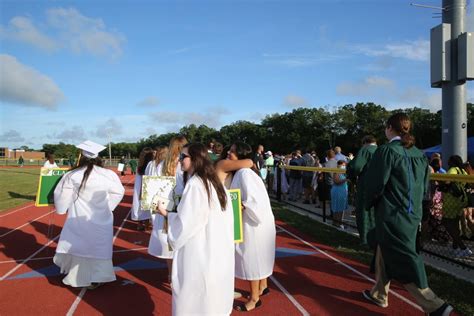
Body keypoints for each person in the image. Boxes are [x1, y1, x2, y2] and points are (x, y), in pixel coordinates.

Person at [362, 113, 453, 316]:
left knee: (404, 257)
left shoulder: (386, 151)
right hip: (413, 213)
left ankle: (435, 305)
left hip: (393, 213)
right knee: (385, 249)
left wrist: (369, 202)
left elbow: (376, 184)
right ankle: (379, 293)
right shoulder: (419, 154)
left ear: (389, 128)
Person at [154, 143, 234, 316]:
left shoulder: (196, 185)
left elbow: (186, 224)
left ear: (196, 159)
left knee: (194, 300)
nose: (179, 160)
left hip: (199, 253)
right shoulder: (215, 183)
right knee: (213, 301)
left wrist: (166, 213)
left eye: (183, 157)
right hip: (218, 252)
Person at [53, 140, 125, 289]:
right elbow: (119, 191)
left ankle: (78, 276)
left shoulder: (72, 175)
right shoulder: (108, 175)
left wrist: (61, 209)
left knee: (79, 246)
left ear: (82, 156)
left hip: (78, 218)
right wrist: (108, 207)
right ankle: (97, 277)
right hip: (101, 219)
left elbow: (61, 196)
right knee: (99, 248)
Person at [229, 141, 276, 312]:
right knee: (258, 256)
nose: (229, 153)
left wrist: (235, 206)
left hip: (253, 223)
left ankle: (254, 298)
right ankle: (263, 285)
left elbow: (253, 202)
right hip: (258, 222)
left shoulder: (244, 174)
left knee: (251, 258)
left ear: (240, 155)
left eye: (232, 151)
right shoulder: (245, 172)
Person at [148, 136, 188, 283]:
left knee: (168, 241)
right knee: (182, 241)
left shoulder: (162, 165)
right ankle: (181, 275)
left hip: (164, 207)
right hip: (181, 206)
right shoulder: (185, 164)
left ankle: (172, 276)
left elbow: (153, 190)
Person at [346, 135, 377, 246]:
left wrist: (351, 176)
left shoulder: (365, 150)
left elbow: (356, 166)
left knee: (364, 211)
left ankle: (365, 239)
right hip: (380, 186)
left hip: (366, 185)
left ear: (364, 142)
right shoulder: (382, 150)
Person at [439, 155, 472, 256]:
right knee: (455, 224)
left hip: (451, 200)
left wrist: (442, 183)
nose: (448, 163)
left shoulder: (453, 169)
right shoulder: (463, 171)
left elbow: (447, 180)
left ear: (453, 162)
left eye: (449, 161)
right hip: (461, 201)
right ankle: (455, 247)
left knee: (446, 222)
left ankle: (463, 247)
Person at [131, 147, 154, 231]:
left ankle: (139, 224)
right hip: (147, 187)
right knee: (147, 206)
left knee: (139, 205)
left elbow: (138, 180)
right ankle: (147, 225)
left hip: (139, 188)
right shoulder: (151, 165)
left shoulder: (139, 167)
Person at [331, 160, 348, 229]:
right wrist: (346, 179)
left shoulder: (343, 172)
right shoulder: (337, 171)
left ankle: (338, 222)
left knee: (341, 207)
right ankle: (337, 222)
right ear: (339, 165)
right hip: (338, 191)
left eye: (344, 165)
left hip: (342, 191)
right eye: (343, 165)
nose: (344, 166)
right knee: (338, 207)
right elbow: (336, 181)